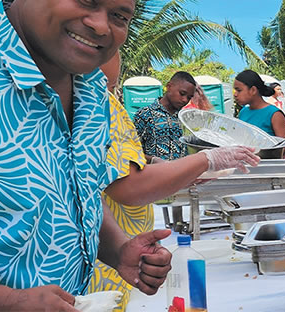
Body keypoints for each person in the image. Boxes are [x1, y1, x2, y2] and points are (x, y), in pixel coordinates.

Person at [0, 0, 172, 310]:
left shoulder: (90, 86)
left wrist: (119, 249)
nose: (102, 26)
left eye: (120, 17)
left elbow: (75, 190)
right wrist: (9, 303)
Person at [89, 53, 259, 310]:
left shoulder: (105, 101)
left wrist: (168, 167)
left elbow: (124, 157)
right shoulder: (97, 104)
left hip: (120, 243)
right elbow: (128, 185)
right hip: (108, 252)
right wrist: (206, 160)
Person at [133, 71, 196, 162]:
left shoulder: (184, 119)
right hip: (154, 175)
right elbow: (131, 152)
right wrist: (152, 160)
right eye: (182, 93)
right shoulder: (145, 115)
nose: (185, 100)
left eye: (189, 97)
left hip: (181, 174)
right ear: (169, 87)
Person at [233, 70, 285, 137]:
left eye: (239, 90)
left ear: (253, 90)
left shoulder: (274, 114)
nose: (235, 94)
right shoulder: (243, 112)